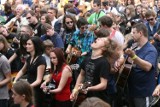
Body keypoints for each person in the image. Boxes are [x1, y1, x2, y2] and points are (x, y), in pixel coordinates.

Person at [70, 29, 119, 105]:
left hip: (98, 100)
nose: (98, 38)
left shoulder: (104, 62)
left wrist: (89, 88)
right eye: (98, 38)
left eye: (101, 40)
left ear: (103, 48)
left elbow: (103, 85)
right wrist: (75, 89)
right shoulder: (87, 58)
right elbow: (82, 74)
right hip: (86, 97)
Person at [125, 23, 158, 107]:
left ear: (140, 33)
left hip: (143, 92)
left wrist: (133, 56)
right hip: (132, 91)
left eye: (133, 32)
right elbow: (125, 59)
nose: (131, 34)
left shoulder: (150, 50)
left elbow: (147, 67)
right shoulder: (134, 46)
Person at [14, 36, 46, 107]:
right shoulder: (29, 58)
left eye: (29, 44)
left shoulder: (41, 60)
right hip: (28, 89)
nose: (26, 46)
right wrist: (15, 80)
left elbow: (38, 80)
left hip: (35, 91)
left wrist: (27, 87)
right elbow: (22, 71)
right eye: (27, 44)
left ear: (35, 46)